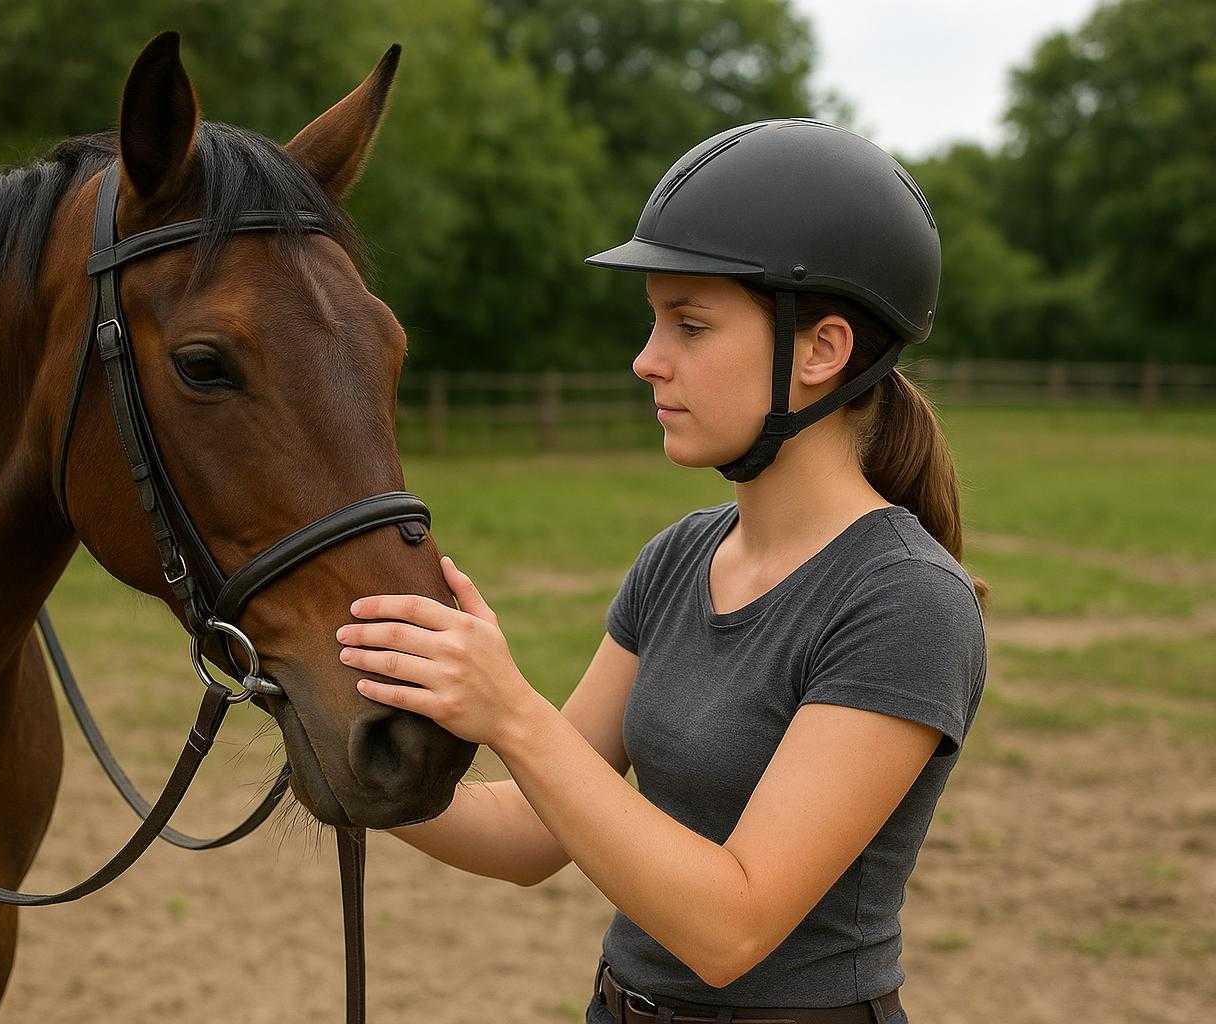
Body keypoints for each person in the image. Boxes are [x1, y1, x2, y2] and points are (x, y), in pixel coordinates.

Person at [336, 118, 988, 1024]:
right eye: (654, 321)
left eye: (689, 323)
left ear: (821, 351)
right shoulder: (680, 559)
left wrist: (511, 711)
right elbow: (531, 834)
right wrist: (351, 752)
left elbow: (732, 925)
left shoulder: (906, 604)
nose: (648, 360)